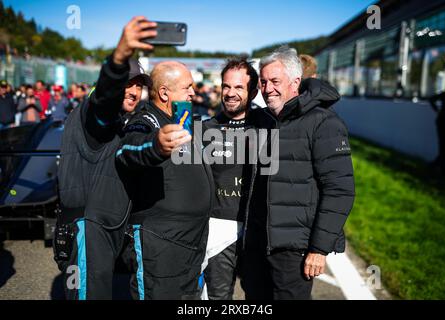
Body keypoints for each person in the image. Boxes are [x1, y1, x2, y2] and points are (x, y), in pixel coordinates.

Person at [54, 16, 156, 300]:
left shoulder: (121, 120)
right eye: (128, 83)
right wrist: (119, 57)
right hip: (87, 228)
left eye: (139, 85)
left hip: (103, 225)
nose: (134, 91)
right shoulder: (94, 113)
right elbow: (105, 99)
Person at [241, 46, 355, 300]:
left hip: (296, 249)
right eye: (263, 81)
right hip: (257, 242)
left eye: (275, 81)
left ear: (295, 82)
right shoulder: (263, 120)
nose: (267, 88)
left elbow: (340, 189)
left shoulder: (324, 122)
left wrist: (318, 249)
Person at [116, 60, 214, 300]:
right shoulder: (145, 121)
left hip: (191, 239)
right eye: (187, 87)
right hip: (160, 244)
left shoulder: (183, 119)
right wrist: (155, 146)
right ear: (164, 93)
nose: (193, 92)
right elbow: (128, 150)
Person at [201, 57, 260, 300]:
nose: (230, 93)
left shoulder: (269, 127)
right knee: (217, 297)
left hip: (258, 230)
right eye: (226, 86)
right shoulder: (204, 130)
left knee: (260, 296)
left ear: (253, 91)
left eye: (238, 87)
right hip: (218, 229)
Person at [429, 89, 445, 173]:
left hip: (443, 122)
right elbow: (431, 99)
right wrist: (437, 110)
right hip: (443, 123)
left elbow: (432, 99)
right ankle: (442, 169)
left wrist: (437, 110)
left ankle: (437, 165)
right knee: (443, 146)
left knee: (444, 146)